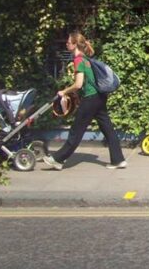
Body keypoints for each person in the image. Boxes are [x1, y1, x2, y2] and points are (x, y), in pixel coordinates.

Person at [42, 31, 127, 170]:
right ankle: (118, 160)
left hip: (90, 99)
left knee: (76, 130)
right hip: (100, 97)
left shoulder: (78, 60)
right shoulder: (86, 59)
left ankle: (57, 159)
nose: (66, 44)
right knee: (108, 128)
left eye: (68, 42)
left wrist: (64, 91)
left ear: (75, 44)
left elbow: (78, 84)